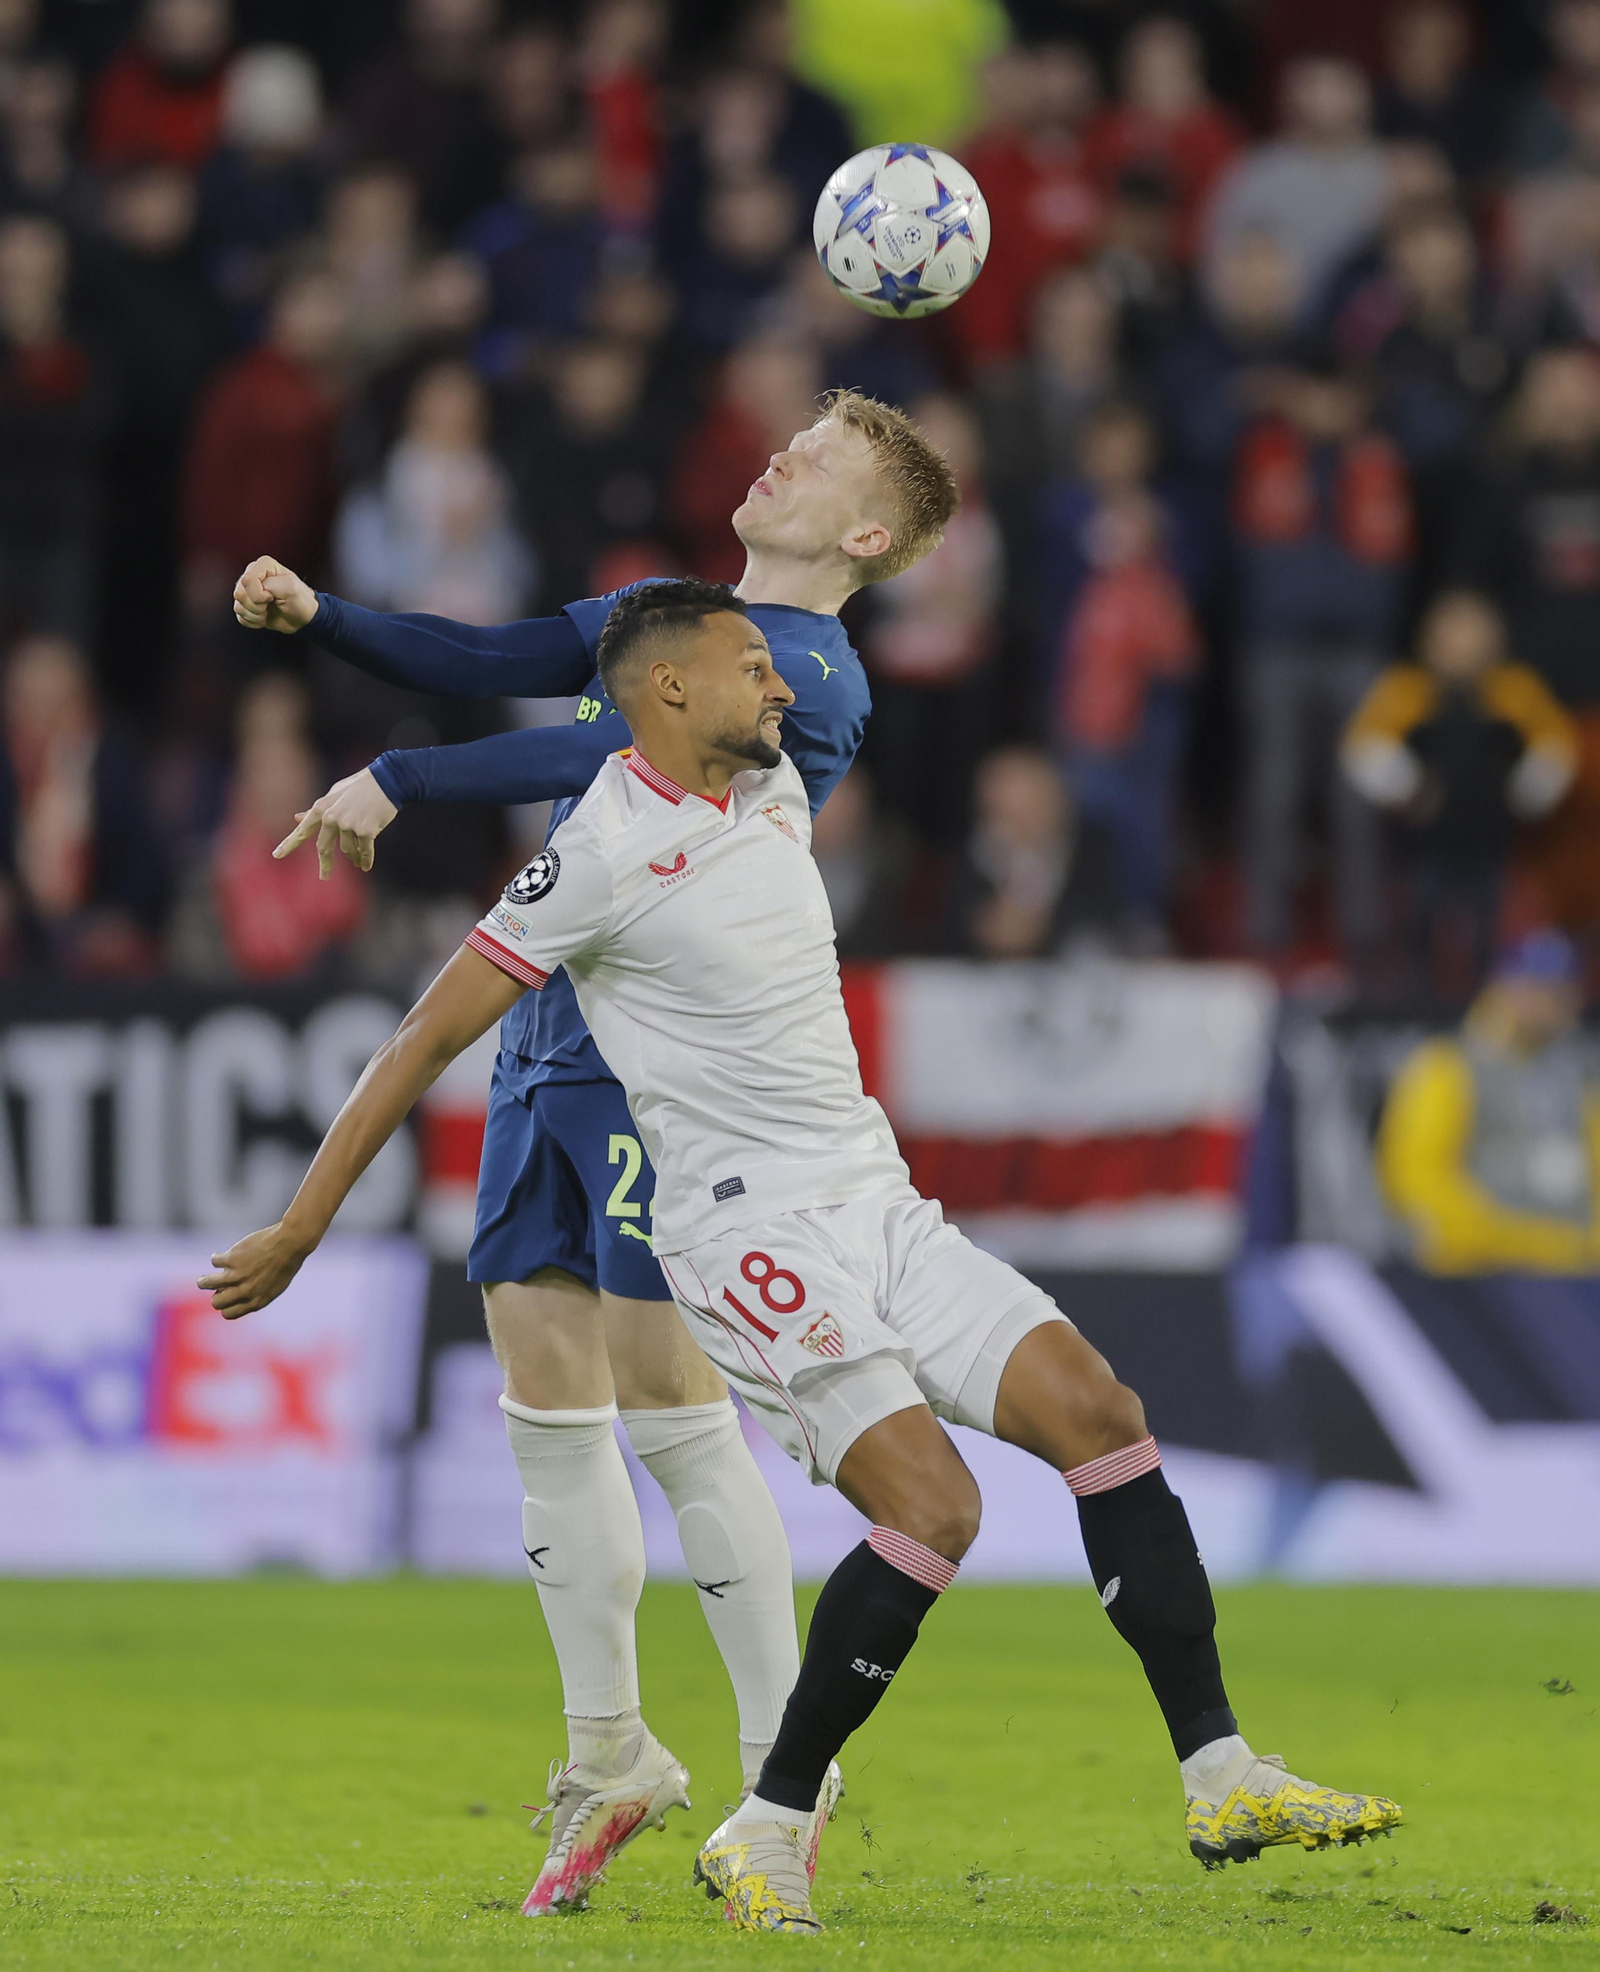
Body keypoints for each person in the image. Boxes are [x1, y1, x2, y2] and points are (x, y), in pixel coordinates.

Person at [203, 580, 1402, 1935]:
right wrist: (304, 1225)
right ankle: (770, 1820)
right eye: (753, 667)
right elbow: (423, 1038)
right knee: (935, 1509)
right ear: (667, 692)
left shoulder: (770, 788)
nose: (784, 693)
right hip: (742, 1234)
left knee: (1102, 1416)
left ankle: (1221, 1772)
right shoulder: (592, 856)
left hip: (873, 1200)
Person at [226, 389, 958, 1914]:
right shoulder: (670, 619)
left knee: (675, 1408)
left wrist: (404, 777)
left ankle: (786, 1776)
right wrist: (328, 618)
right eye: (795, 434)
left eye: (821, 456)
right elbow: (495, 662)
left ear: (868, 535)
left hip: (661, 1063)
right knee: (544, 1402)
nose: (782, 451)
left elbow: (596, 771)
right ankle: (610, 1752)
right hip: (548, 1030)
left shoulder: (801, 676)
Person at [1342, 591, 1576, 994]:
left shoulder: (1513, 691)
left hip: (1489, 835)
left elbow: (1556, 745)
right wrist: (1408, 785)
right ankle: (1417, 993)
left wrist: (1527, 787)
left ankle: (1486, 993)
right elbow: (1363, 745)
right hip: (1429, 838)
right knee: (1421, 921)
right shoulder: (1409, 690)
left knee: (1488, 924)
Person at [1378, 929, 1600, 1272]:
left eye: (1563, 991)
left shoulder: (1579, 1073)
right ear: (1503, 989)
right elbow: (1416, 1181)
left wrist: (1581, 1247)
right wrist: (1523, 1241)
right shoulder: (1446, 1066)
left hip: (1574, 1275)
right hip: (1477, 1278)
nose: (1555, 1004)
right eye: (1540, 989)